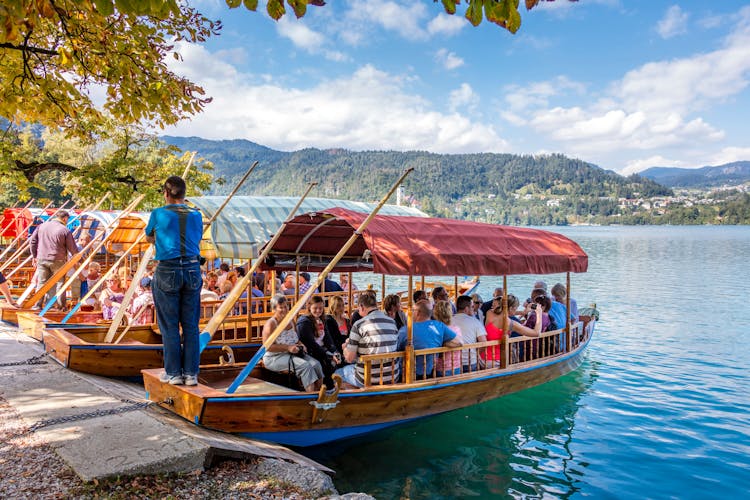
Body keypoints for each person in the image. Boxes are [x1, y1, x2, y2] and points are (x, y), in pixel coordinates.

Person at [145, 175, 203, 386]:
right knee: (190, 325)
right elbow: (195, 239)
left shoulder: (158, 213)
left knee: (169, 325)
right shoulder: (196, 215)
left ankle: (173, 373)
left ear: (166, 193)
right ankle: (191, 374)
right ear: (184, 194)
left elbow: (149, 237)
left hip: (168, 268)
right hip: (192, 268)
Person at [335, 291, 400, 388]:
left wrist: (345, 347)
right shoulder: (392, 322)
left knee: (336, 374)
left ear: (361, 306)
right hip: (392, 376)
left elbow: (349, 358)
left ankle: (360, 396)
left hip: (368, 378)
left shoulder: (359, 325)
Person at [262, 294, 323, 392]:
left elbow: (296, 339)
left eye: (286, 306)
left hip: (293, 353)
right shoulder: (271, 324)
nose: (284, 309)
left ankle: (319, 393)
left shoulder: (290, 321)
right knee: (305, 366)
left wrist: (301, 344)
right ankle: (310, 396)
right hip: (274, 358)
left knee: (316, 364)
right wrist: (288, 348)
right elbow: (267, 347)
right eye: (280, 307)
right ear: (274, 309)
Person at [28, 209, 79, 309]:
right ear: (65, 218)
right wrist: (78, 259)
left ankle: (38, 305)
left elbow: (32, 241)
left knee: (42, 282)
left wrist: (34, 256)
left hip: (42, 258)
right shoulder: (64, 230)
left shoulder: (42, 226)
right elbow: (72, 248)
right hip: (58, 259)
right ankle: (61, 306)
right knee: (60, 283)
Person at [398, 301, 461, 379]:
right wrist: (439, 343)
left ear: (417, 312)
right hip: (429, 374)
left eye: (413, 310)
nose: (411, 313)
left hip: (407, 375)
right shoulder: (439, 326)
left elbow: (396, 348)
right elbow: (459, 342)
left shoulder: (406, 330)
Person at [483, 294, 544, 367]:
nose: (515, 310)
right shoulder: (510, 324)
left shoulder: (489, 313)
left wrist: (523, 312)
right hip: (496, 361)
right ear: (511, 308)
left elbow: (505, 312)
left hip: (482, 357)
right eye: (515, 308)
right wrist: (539, 313)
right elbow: (536, 333)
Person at [297, 296, 342, 388]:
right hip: (310, 352)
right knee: (326, 364)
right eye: (315, 308)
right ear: (309, 307)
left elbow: (328, 339)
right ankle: (326, 390)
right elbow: (311, 344)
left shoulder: (322, 319)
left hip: (322, 350)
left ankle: (334, 388)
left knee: (340, 360)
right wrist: (328, 354)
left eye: (320, 308)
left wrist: (335, 352)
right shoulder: (304, 322)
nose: (318, 310)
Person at [452, 295, 487, 372]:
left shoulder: (449, 321)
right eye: (472, 306)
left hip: (452, 362)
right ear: (466, 309)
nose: (473, 308)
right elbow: (484, 342)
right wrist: (476, 354)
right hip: (470, 361)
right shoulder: (475, 322)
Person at [433, 300, 463, 376]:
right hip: (455, 365)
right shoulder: (456, 329)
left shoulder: (435, 329)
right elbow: (460, 343)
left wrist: (444, 344)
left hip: (440, 367)